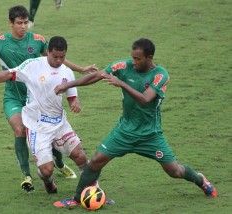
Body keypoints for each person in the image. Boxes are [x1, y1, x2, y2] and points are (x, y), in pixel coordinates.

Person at [53, 38, 218, 208]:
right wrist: (67, 85)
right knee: (95, 160)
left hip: (150, 135)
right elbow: (98, 75)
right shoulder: (123, 66)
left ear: (149, 57)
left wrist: (121, 83)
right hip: (124, 131)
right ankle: (77, 197)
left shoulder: (160, 75)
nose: (134, 62)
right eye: (133, 57)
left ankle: (200, 180)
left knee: (174, 171)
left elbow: (145, 99)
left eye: (138, 59)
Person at [0, 5, 97, 193]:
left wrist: (80, 69)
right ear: (11, 23)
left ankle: (58, 163)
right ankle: (27, 174)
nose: (24, 26)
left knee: (51, 130)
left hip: (38, 96)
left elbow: (57, 60)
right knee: (20, 129)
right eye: (19, 23)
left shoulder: (38, 41)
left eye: (26, 22)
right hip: (14, 97)